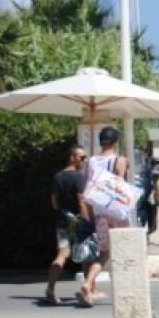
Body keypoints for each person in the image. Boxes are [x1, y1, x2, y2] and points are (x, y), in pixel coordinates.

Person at [78, 126, 130, 307]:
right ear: (116, 142)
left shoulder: (91, 161)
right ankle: (127, 289)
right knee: (123, 246)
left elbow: (85, 189)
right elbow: (119, 184)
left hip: (99, 211)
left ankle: (88, 282)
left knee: (104, 251)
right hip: (116, 210)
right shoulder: (119, 159)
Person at [45, 144, 86, 305]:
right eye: (81, 157)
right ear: (72, 157)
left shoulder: (57, 177)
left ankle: (50, 289)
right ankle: (88, 290)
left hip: (63, 221)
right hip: (78, 222)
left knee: (62, 255)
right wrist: (85, 220)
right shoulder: (79, 178)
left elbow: (54, 203)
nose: (84, 160)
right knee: (87, 255)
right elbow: (81, 202)